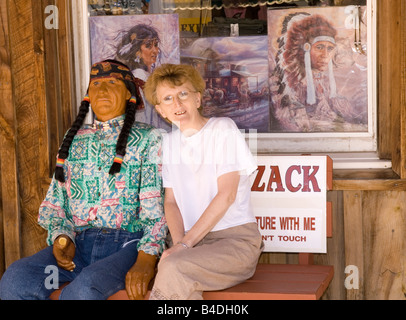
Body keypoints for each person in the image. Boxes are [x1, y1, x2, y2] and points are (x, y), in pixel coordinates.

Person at [0, 60, 167, 300]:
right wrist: (62, 239)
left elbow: (156, 206)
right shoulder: (74, 138)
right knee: (17, 279)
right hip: (78, 249)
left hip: (126, 247)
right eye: (95, 84)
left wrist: (147, 258)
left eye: (112, 82)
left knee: (83, 290)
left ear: (130, 93)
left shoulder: (148, 138)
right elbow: (57, 202)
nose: (102, 90)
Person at [143, 64, 263, 300]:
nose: (177, 104)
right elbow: (171, 202)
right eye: (168, 99)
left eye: (183, 94)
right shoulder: (169, 143)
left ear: (198, 98)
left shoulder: (222, 130)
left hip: (234, 243)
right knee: (179, 276)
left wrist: (184, 247)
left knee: (173, 268)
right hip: (191, 245)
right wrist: (179, 245)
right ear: (160, 110)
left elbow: (226, 195)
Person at [270, 13, 358, 132]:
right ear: (304, 49)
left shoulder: (323, 81)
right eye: (319, 47)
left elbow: (343, 116)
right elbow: (295, 127)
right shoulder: (282, 82)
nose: (325, 55)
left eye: (330, 48)